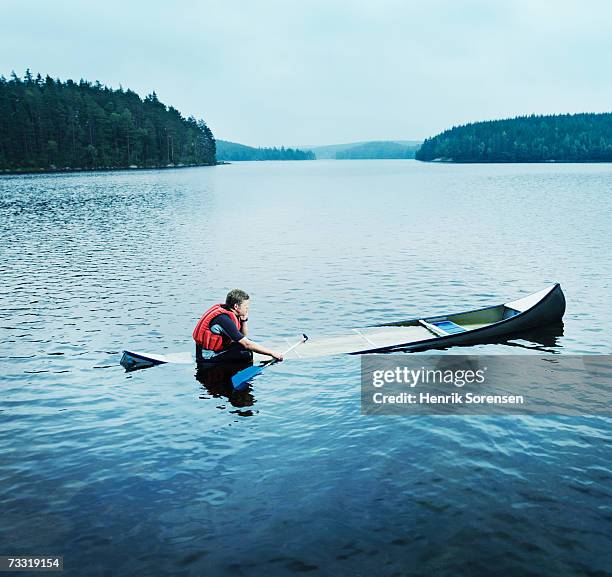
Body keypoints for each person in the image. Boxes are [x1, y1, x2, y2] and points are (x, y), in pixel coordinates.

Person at [193, 289, 283, 366]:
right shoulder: (223, 319)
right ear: (236, 306)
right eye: (245, 306)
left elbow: (243, 336)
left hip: (215, 351)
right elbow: (246, 344)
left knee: (247, 346)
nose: (247, 309)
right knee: (245, 353)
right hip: (207, 357)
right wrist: (271, 353)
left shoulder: (230, 313)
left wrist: (244, 321)